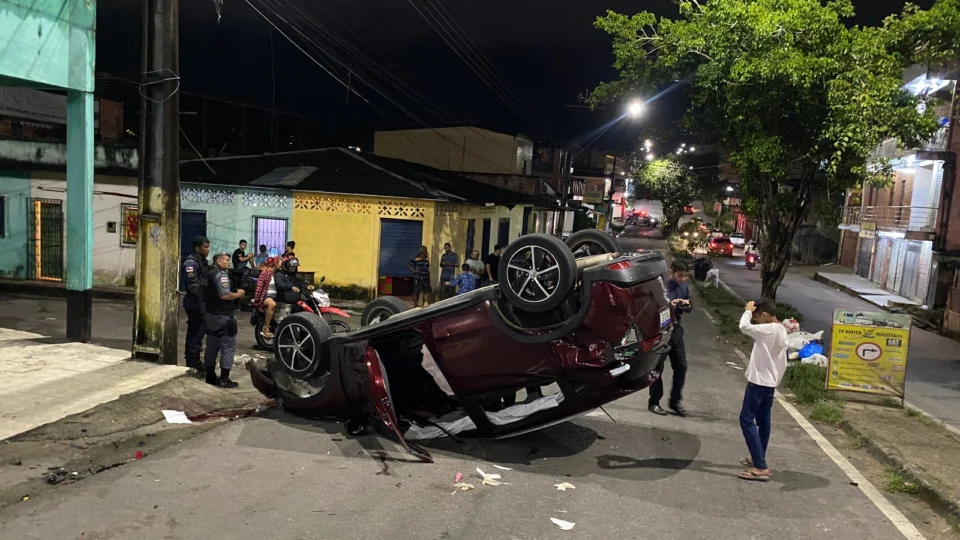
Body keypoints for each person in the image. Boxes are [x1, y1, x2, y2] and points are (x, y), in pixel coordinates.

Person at [737, 298, 788, 482]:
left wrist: (748, 311)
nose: (756, 320)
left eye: (757, 317)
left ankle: (760, 466)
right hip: (770, 383)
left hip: (758, 381)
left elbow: (744, 326)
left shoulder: (767, 330)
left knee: (746, 419)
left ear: (764, 315)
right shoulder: (781, 329)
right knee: (763, 420)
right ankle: (758, 457)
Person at [649, 259, 691, 417]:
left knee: (681, 366)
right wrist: (670, 305)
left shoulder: (684, 286)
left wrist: (687, 305)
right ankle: (654, 401)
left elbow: (689, 305)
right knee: (657, 367)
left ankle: (675, 401)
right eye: (680, 275)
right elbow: (654, 307)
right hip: (661, 329)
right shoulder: (662, 286)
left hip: (676, 328)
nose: (683, 279)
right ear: (671, 272)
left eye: (685, 276)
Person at [204, 252, 246, 388]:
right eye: (226, 260)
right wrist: (239, 294)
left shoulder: (207, 273)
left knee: (211, 346)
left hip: (210, 315)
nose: (229, 262)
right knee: (228, 347)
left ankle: (210, 376)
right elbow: (225, 295)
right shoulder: (221, 275)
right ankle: (224, 378)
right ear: (219, 261)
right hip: (223, 316)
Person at [182, 236, 212, 371]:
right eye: (205, 247)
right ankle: (192, 361)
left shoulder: (202, 262)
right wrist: (204, 298)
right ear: (197, 248)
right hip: (195, 302)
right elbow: (193, 285)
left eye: (208, 247)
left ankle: (195, 360)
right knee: (195, 333)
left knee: (200, 333)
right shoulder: (190, 263)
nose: (208, 249)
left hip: (202, 302)